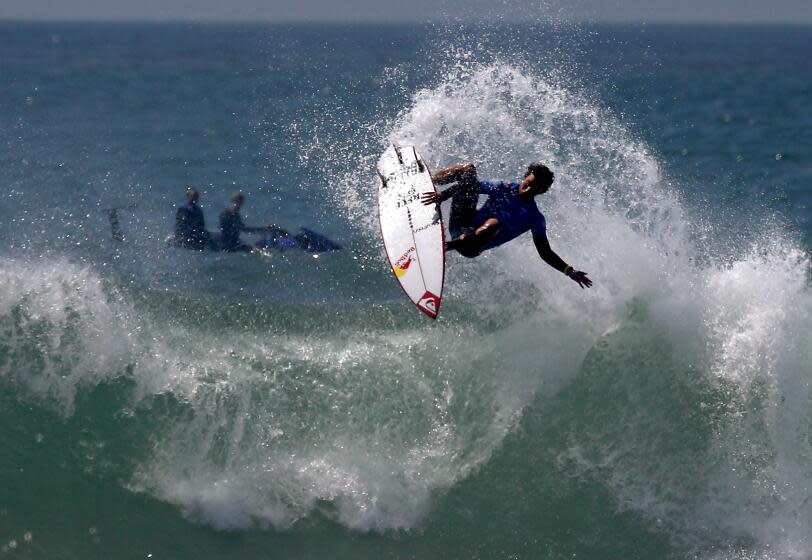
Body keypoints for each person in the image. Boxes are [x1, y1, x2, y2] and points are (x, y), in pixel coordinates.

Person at [421, 162, 593, 289]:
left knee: (494, 224)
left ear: (541, 192)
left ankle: (444, 247)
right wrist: (443, 195)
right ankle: (428, 179)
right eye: (529, 183)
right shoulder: (503, 187)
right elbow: (470, 186)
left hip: (471, 246)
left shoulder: (534, 218)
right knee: (468, 169)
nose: (529, 188)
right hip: (461, 223)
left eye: (535, 188)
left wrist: (569, 271)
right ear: (525, 177)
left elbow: (545, 252)